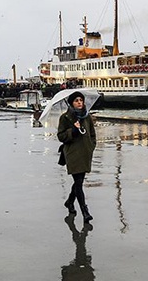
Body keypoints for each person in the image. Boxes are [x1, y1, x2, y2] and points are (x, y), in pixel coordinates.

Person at [57, 91, 96, 222]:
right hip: (72, 154)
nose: (79, 102)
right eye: (76, 100)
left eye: (81, 100)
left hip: (85, 153)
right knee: (78, 183)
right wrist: (72, 131)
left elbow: (92, 134)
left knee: (78, 181)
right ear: (71, 103)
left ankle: (69, 201)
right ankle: (85, 211)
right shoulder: (65, 118)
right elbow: (60, 136)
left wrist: (91, 146)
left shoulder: (87, 116)